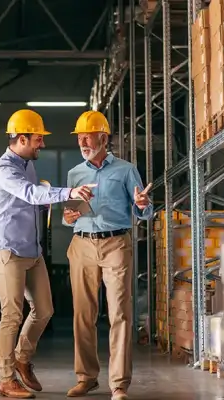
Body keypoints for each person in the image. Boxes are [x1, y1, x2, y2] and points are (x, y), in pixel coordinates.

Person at [0, 109, 96, 399]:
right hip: (7, 250)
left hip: (31, 251)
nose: (42, 145)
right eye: (38, 139)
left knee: (44, 310)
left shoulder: (26, 164)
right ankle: (7, 379)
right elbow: (32, 194)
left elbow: (34, 198)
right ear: (22, 138)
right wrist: (68, 192)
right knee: (11, 315)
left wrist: (55, 203)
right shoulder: (5, 169)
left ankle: (22, 359)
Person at [62, 110, 152, 400]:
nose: (83, 141)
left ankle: (119, 384)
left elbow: (145, 212)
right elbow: (68, 218)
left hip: (115, 244)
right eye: (80, 137)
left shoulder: (126, 170)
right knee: (83, 315)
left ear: (104, 137)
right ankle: (86, 377)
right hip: (82, 244)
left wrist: (141, 203)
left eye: (88, 136)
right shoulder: (75, 173)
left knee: (120, 315)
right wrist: (68, 215)